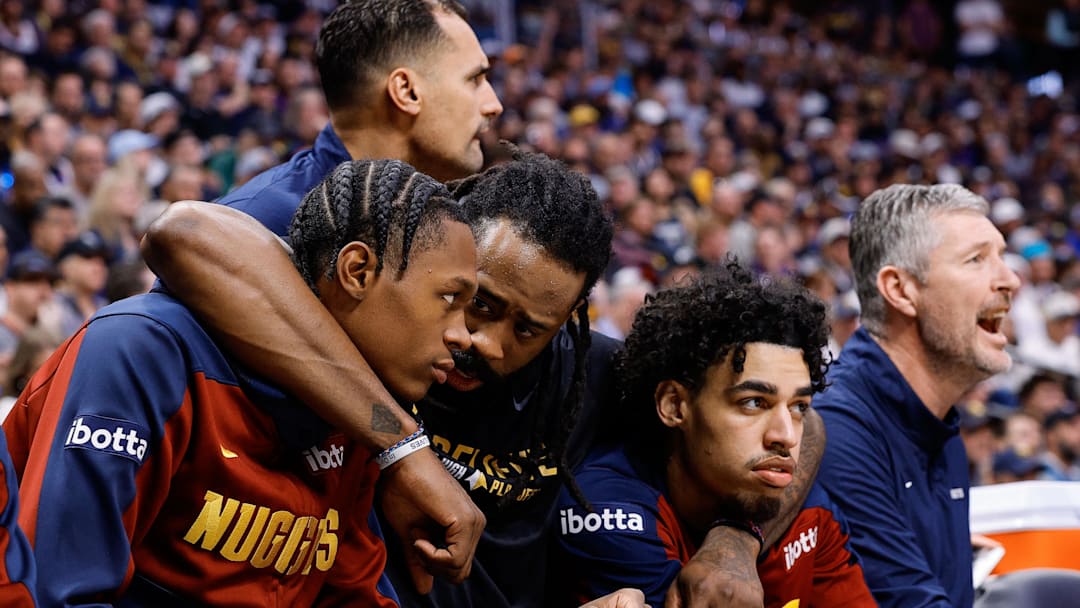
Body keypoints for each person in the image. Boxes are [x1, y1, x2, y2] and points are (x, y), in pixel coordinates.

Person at [143, 151, 813, 608]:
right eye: (479, 302)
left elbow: (806, 426)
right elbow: (185, 232)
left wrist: (737, 540)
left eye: (528, 329)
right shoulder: (366, 330)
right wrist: (404, 449)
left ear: (567, 325)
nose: (484, 343)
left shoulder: (591, 375)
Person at [3, 159, 479, 605]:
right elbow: (59, 590)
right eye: (449, 298)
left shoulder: (368, 410)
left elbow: (352, 592)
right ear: (357, 271)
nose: (463, 336)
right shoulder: (141, 351)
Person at [145, 0, 503, 590]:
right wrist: (404, 449)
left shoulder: (435, 224)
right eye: (476, 78)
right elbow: (180, 235)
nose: (492, 104)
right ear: (406, 91)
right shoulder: (273, 215)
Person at [554, 265, 875, 608]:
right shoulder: (607, 507)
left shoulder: (807, 509)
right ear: (675, 405)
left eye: (798, 407)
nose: (786, 436)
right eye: (753, 402)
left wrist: (740, 535)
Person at [814, 184, 1021, 607]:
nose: (1010, 279)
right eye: (977, 259)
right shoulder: (835, 432)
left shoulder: (937, 422)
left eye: (1001, 256)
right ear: (901, 290)